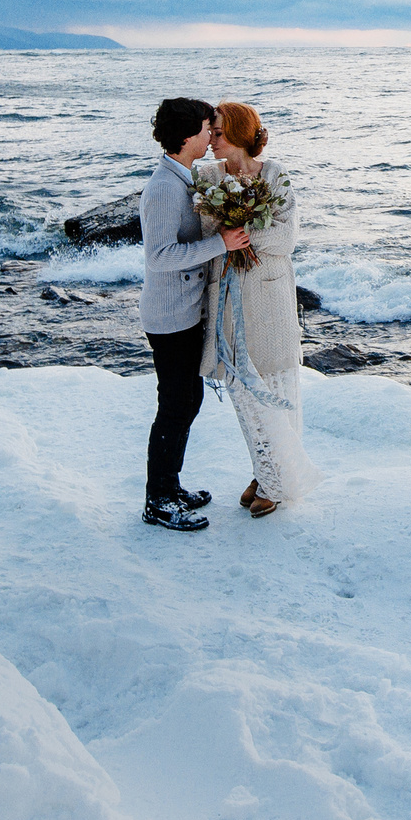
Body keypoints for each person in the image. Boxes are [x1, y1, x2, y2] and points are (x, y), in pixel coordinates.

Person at [197, 101, 321, 516]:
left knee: (277, 388)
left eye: (216, 133)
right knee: (242, 391)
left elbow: (284, 239)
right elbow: (206, 233)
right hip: (228, 299)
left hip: (269, 299)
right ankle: (266, 469)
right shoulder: (208, 177)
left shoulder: (274, 174)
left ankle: (275, 479)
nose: (210, 140)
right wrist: (233, 233)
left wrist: (240, 232)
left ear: (235, 132)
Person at [137, 96, 251, 533]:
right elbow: (160, 257)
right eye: (207, 129)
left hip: (184, 312)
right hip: (169, 318)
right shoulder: (164, 187)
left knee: (189, 400)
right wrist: (221, 244)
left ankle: (170, 485)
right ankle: (158, 500)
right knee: (175, 406)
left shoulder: (182, 177)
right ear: (187, 136)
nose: (211, 135)